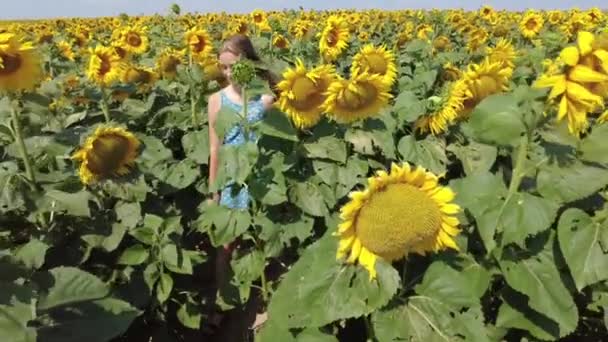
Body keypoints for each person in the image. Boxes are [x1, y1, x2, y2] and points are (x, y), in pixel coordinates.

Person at [206, 34, 277, 328]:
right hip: (232, 179)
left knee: (261, 240)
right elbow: (214, 148)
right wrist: (214, 191)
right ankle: (223, 301)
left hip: (260, 179)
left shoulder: (265, 97)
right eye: (223, 68)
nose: (228, 73)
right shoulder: (216, 100)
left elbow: (275, 138)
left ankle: (262, 301)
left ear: (247, 63)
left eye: (232, 66)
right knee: (226, 246)